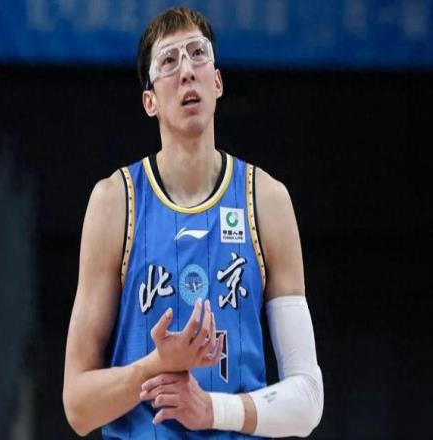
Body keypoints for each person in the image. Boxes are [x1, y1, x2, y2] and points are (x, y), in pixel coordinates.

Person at [63, 7, 323, 439]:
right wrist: (156, 365)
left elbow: (308, 398)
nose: (186, 71)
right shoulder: (115, 202)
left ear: (217, 82)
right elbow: (78, 406)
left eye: (198, 54)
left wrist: (212, 410)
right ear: (150, 102)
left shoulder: (266, 200)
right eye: (169, 61)